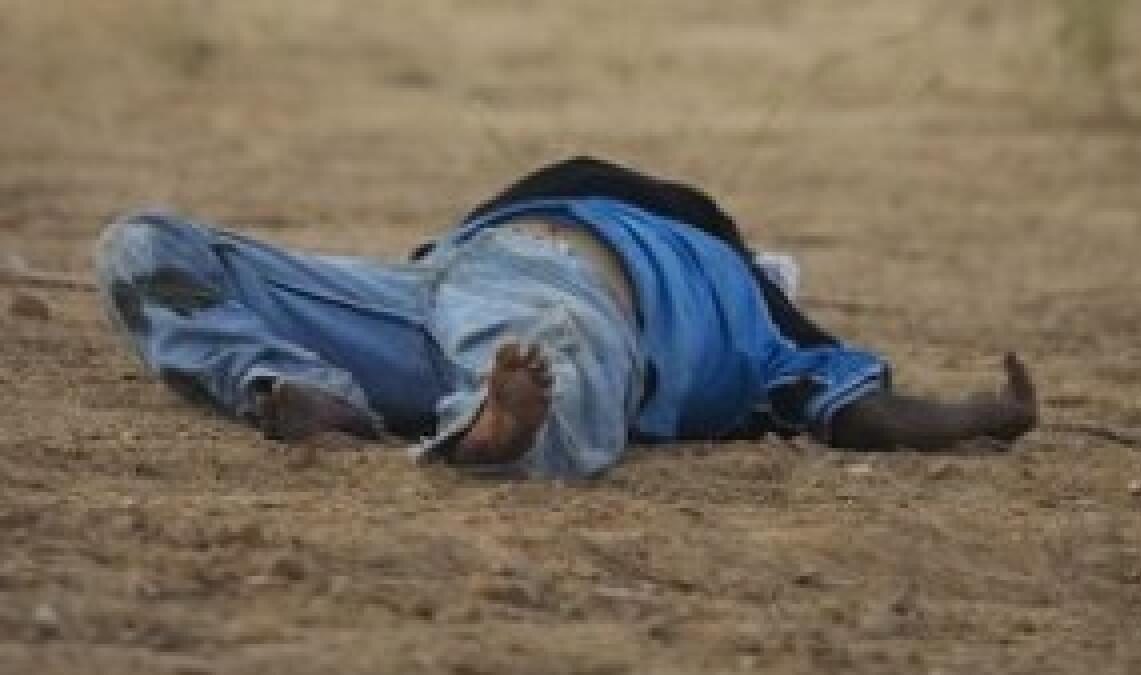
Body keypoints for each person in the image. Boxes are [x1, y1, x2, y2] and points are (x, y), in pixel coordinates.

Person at [94, 154, 1037, 476]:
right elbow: (863, 411)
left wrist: (982, 415)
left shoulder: (751, 305)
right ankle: (324, 392)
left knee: (148, 247)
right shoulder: (744, 294)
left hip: (500, 292)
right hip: (466, 287)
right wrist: (981, 416)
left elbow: (857, 409)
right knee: (143, 247)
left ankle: (473, 427)